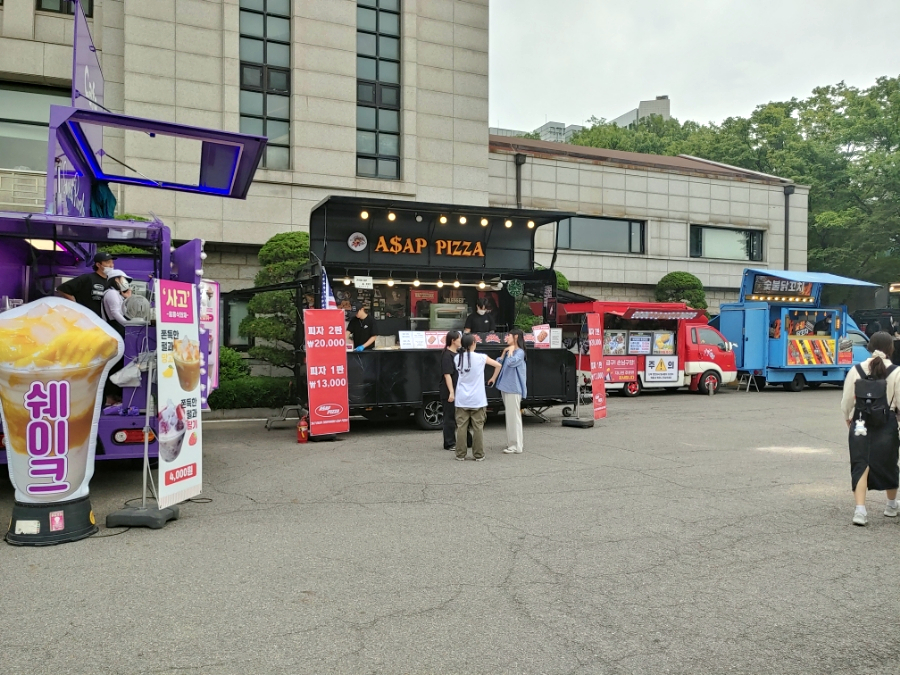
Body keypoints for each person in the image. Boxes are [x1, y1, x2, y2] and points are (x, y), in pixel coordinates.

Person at [840, 332, 900, 526]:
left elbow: (847, 400)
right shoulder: (897, 372)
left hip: (860, 420)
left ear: (870, 346)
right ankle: (891, 505)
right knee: (889, 462)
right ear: (891, 348)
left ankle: (860, 511)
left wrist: (848, 416)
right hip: (887, 421)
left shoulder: (856, 369)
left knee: (861, 462)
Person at [454, 333, 501, 462]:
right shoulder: (481, 357)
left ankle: (460, 454)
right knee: (478, 427)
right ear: (474, 343)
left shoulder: (457, 358)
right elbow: (498, 365)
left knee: (461, 427)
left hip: (462, 398)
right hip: (478, 398)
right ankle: (478, 454)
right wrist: (492, 378)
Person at [490, 328, 527, 454]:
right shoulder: (511, 351)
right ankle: (512, 443)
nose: (507, 338)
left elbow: (511, 363)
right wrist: (504, 353)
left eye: (509, 336)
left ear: (516, 337)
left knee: (514, 416)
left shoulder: (520, 352)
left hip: (513, 388)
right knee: (510, 416)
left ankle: (516, 445)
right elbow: (500, 363)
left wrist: (510, 352)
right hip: (506, 386)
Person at [101, 270, 132, 405]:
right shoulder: (112, 293)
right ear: (116, 279)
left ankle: (115, 395)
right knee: (116, 364)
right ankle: (111, 396)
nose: (125, 282)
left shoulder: (117, 294)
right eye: (123, 279)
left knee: (119, 364)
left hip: (118, 329)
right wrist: (128, 324)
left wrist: (127, 297)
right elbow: (116, 313)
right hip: (115, 329)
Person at [56, 251, 116, 316]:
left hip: (103, 322)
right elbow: (62, 289)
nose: (111, 265)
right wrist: (74, 304)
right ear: (98, 265)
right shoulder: (87, 278)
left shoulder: (112, 281)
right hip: (85, 319)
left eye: (112, 262)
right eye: (108, 263)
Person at [440, 330, 471, 452]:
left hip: (460, 388)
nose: (461, 341)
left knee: (462, 415)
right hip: (449, 389)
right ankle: (449, 443)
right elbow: (447, 375)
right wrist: (451, 392)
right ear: (453, 341)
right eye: (459, 339)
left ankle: (468, 440)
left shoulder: (459, 353)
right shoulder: (447, 355)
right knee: (450, 417)